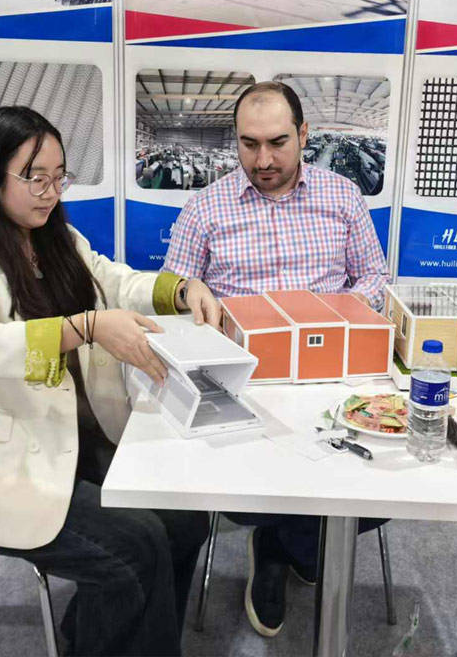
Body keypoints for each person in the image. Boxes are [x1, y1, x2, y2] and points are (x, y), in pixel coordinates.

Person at [0, 106, 220, 656]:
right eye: (35, 178)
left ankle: (103, 634)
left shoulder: (57, 238)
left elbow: (114, 281)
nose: (51, 193)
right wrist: (86, 328)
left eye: (59, 177)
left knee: (184, 518)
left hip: (67, 439)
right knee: (135, 547)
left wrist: (180, 289)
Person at [162, 81, 390, 638]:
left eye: (278, 143)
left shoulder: (343, 197)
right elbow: (172, 289)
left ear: (304, 134)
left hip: (333, 377)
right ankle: (289, 542)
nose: (263, 160)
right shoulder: (206, 207)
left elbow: (375, 277)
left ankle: (280, 545)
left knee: (387, 488)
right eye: (249, 144)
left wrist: (336, 312)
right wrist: (189, 294)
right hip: (246, 387)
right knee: (245, 495)